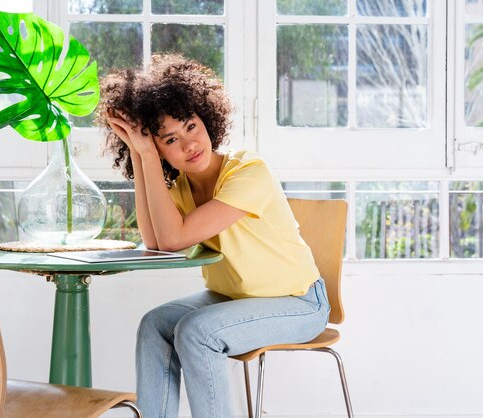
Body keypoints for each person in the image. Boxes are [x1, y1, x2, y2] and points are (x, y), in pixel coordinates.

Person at [99, 54, 330, 418]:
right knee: (154, 325)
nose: (189, 144)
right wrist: (142, 156)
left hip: (300, 303)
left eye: (191, 126)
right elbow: (156, 243)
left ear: (206, 118)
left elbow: (174, 240)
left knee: (196, 331)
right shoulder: (178, 187)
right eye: (170, 140)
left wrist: (150, 151)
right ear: (161, 152)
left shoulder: (249, 170)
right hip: (232, 300)